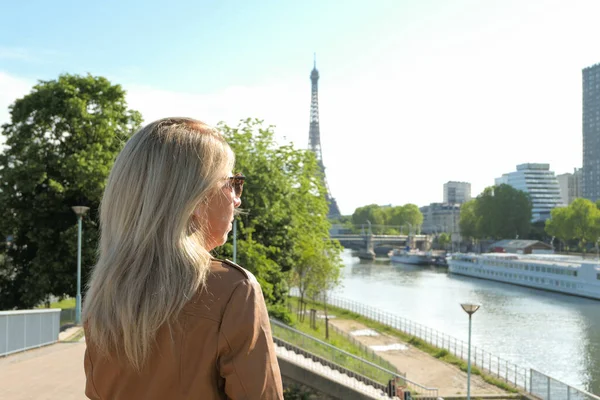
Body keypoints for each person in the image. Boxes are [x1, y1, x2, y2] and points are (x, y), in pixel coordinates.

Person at [82, 117, 284, 399]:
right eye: (232, 183)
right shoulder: (232, 290)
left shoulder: (103, 294)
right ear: (195, 199)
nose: (237, 199)